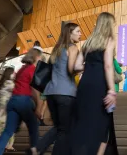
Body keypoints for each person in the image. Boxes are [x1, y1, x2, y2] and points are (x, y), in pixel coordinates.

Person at [71, 12, 118, 155]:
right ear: (109, 25)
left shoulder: (88, 42)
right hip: (99, 84)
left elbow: (77, 66)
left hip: (84, 85)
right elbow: (108, 65)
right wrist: (111, 90)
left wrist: (90, 66)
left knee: (84, 123)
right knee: (102, 124)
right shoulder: (109, 40)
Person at [37, 23, 81, 155]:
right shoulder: (72, 48)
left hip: (51, 93)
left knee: (59, 128)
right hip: (66, 93)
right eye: (78, 31)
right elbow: (71, 69)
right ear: (70, 33)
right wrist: (86, 66)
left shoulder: (57, 49)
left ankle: (37, 149)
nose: (80, 34)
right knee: (64, 131)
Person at [0, 48, 42, 155]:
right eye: (40, 57)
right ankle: (34, 151)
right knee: (33, 128)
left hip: (13, 101)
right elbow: (34, 90)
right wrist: (38, 106)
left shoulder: (21, 69)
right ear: (37, 57)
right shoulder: (33, 69)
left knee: (7, 132)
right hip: (23, 100)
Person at [33, 41, 48, 126]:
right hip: (41, 79)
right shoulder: (43, 55)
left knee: (35, 100)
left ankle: (35, 119)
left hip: (32, 80)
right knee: (45, 100)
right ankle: (41, 118)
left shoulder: (31, 54)